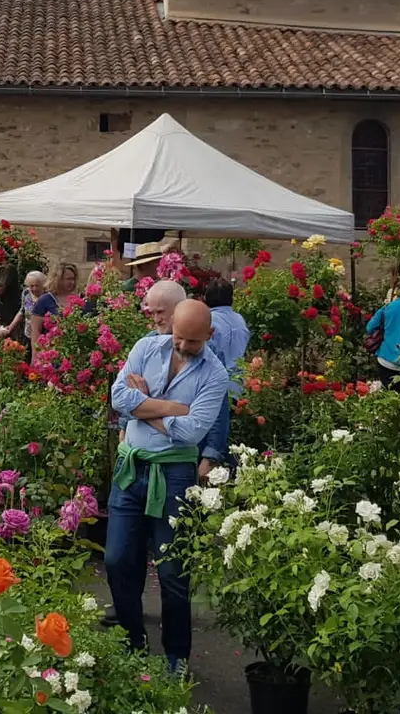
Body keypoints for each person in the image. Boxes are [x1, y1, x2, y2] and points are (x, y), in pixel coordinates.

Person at [106, 299, 229, 675]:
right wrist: (173, 407)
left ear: (209, 334)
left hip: (174, 474)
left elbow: (193, 431)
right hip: (131, 468)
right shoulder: (146, 348)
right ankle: (133, 643)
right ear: (172, 326)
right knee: (117, 559)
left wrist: (143, 406)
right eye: (179, 337)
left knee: (173, 570)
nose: (183, 346)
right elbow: (118, 398)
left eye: (193, 341)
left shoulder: (215, 374)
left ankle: (177, 656)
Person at [198, 278, 250, 479]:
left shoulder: (208, 322)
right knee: (224, 435)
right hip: (236, 388)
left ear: (205, 298)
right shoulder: (240, 321)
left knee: (209, 438)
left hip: (212, 386)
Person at [0, 271, 57, 358]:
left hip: (43, 336)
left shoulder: (48, 297)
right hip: (28, 334)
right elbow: (22, 311)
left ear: (43, 285)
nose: (33, 289)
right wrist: (10, 327)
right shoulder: (26, 293)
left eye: (36, 285)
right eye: (31, 286)